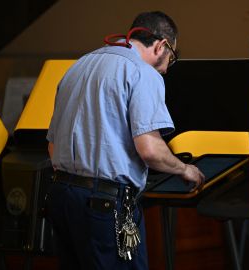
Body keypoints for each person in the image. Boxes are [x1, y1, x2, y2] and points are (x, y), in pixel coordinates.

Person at [46, 11, 205, 270]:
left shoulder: (78, 66)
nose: (166, 69)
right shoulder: (142, 72)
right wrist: (185, 169)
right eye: (171, 59)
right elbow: (150, 150)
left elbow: (53, 146)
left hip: (61, 198)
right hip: (104, 204)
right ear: (161, 45)